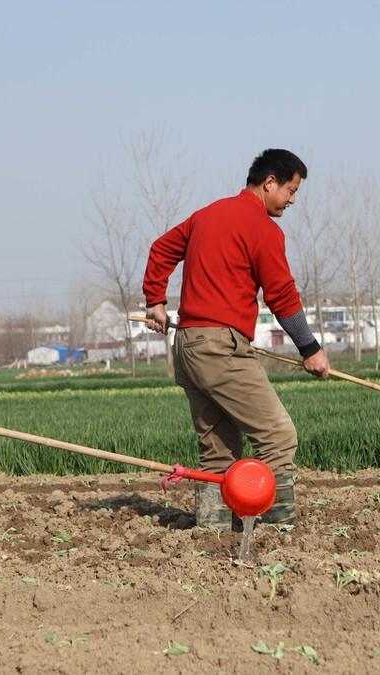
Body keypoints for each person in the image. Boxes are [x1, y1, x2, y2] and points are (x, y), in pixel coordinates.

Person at [143, 149, 330, 530]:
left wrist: (156, 302)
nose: (293, 200)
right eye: (291, 190)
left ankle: (214, 531)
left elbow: (161, 249)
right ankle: (279, 531)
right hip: (220, 348)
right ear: (269, 183)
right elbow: (281, 295)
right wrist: (310, 349)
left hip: (189, 347)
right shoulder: (263, 229)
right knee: (278, 436)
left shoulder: (206, 215)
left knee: (218, 449)